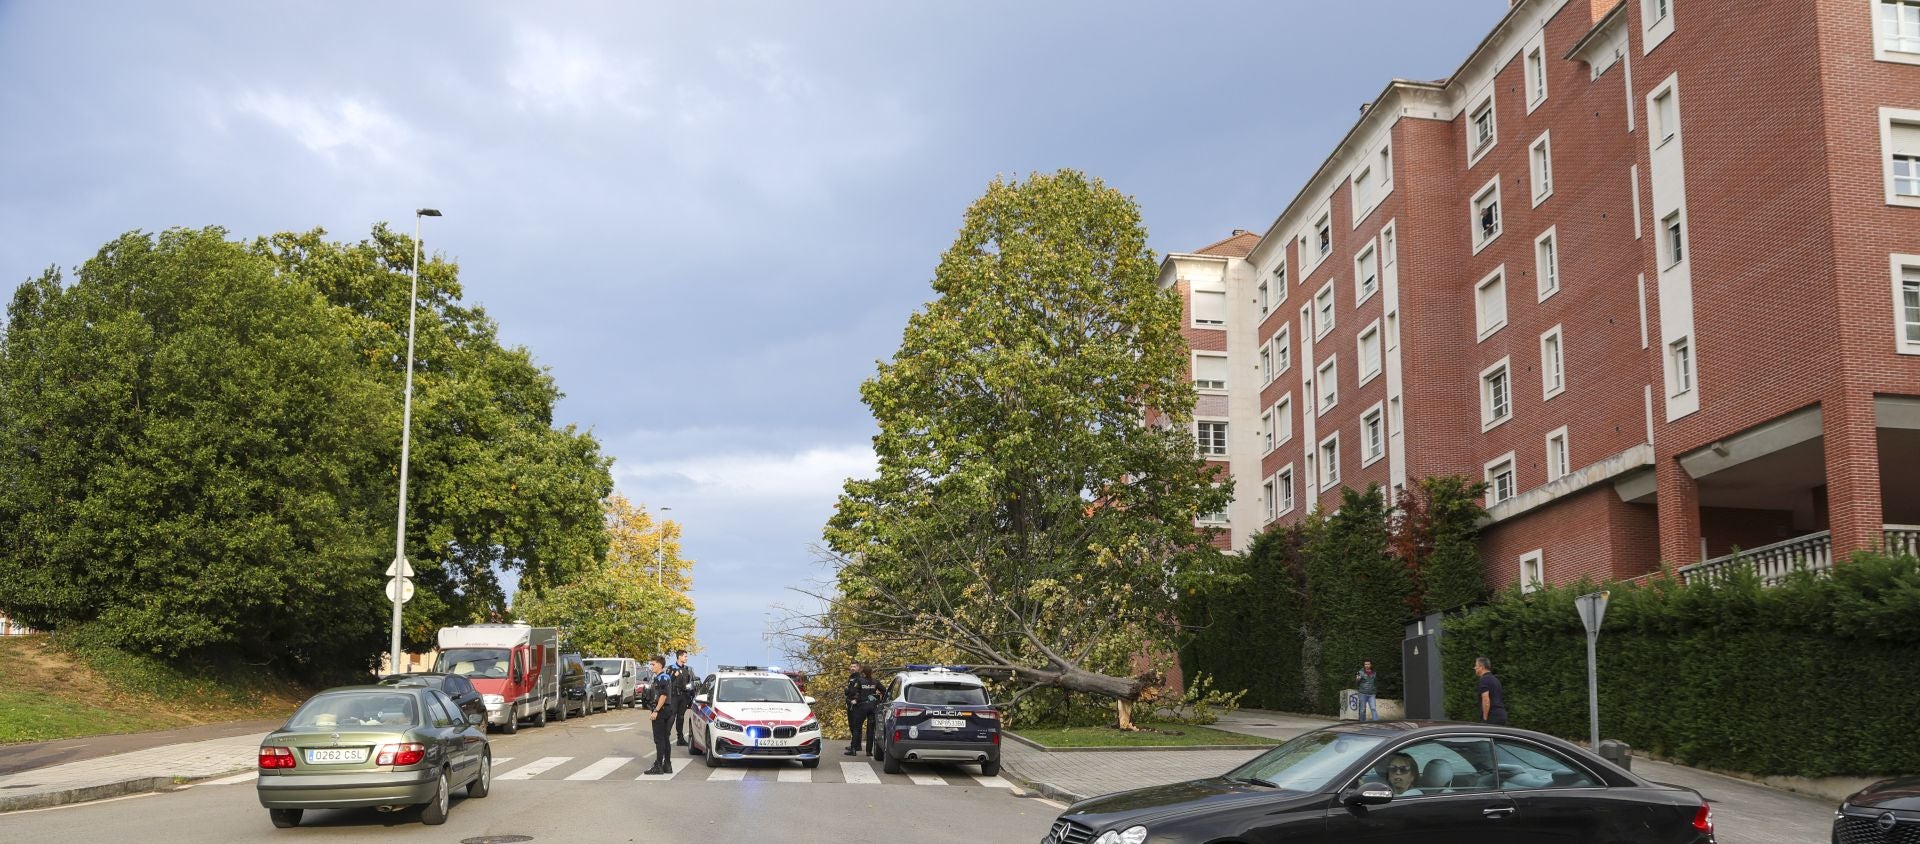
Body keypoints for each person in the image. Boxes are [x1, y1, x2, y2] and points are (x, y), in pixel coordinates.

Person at [642, 655, 674, 775]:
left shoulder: (663, 677)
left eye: (653, 664)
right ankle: (667, 765)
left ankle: (659, 766)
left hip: (662, 711)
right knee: (665, 739)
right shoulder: (660, 677)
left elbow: (663, 695)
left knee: (659, 739)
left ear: (660, 665)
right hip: (666, 710)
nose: (651, 666)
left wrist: (656, 710)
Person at [843, 662, 881, 756]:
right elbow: (884, 691)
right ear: (871, 672)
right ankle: (868, 751)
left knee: (856, 727)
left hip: (862, 707)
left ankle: (853, 749)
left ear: (862, 672)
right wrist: (874, 700)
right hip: (872, 707)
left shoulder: (860, 681)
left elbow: (855, 693)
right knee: (871, 729)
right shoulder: (876, 681)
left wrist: (850, 694)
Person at [1474, 656, 1508, 726]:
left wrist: (1485, 719)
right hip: (1501, 715)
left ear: (1481, 667)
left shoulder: (1484, 680)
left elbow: (1486, 700)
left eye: (1476, 665)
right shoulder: (1496, 680)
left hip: (1492, 717)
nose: (1474, 668)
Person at [670, 650, 694, 746]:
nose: (686, 658)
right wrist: (673, 676)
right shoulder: (672, 668)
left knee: (681, 717)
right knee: (672, 717)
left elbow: (689, 683)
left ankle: (680, 738)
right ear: (679, 657)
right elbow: (668, 682)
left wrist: (690, 697)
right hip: (674, 696)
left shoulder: (687, 669)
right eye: (685, 656)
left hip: (683, 696)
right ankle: (666, 736)